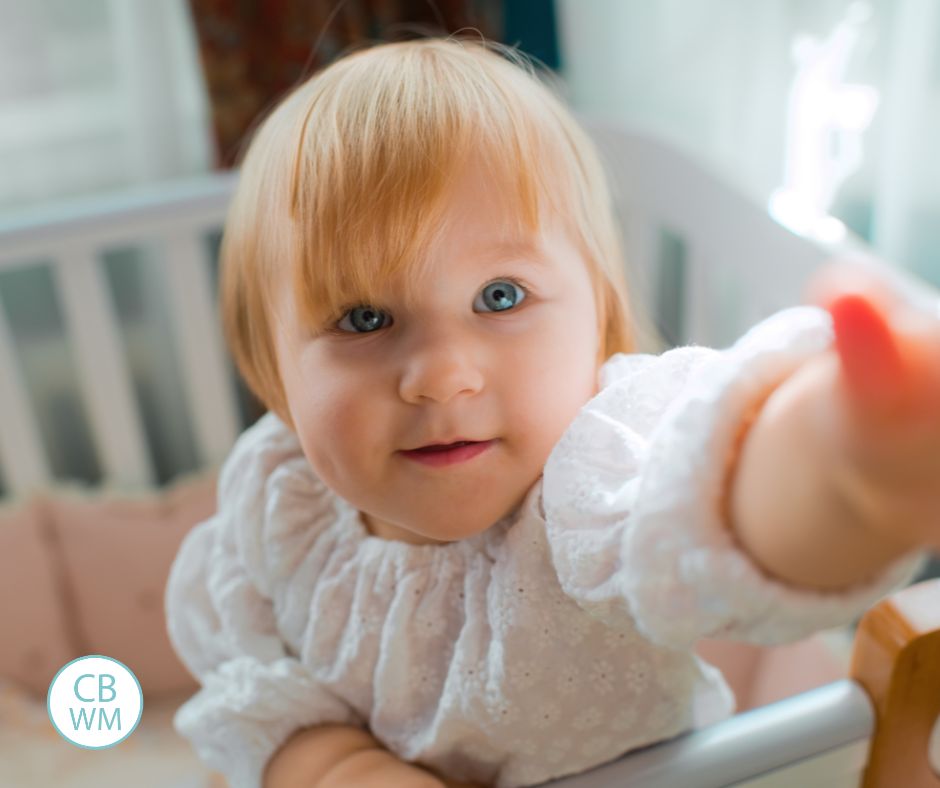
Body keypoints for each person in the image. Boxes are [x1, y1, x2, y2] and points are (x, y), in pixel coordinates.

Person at [164, 35, 940, 788]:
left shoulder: (591, 488)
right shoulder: (280, 497)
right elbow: (259, 690)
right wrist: (335, 768)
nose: (440, 376)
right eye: (364, 318)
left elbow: (715, 503)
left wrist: (843, 461)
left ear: (597, 325)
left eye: (500, 298)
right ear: (271, 375)